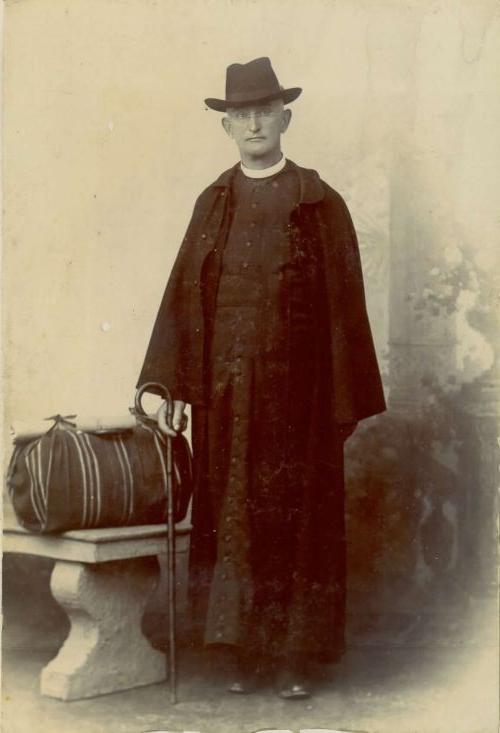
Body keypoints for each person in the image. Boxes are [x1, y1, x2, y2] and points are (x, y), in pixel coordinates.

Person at [137, 57, 386, 699]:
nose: (253, 124)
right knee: (233, 520)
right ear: (226, 126)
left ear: (285, 119)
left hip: (300, 401)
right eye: (241, 114)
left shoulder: (319, 202)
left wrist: (340, 401)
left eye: (265, 112)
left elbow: (346, 307)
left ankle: (296, 658)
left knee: (296, 526)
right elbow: (183, 297)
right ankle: (243, 653)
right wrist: (168, 384)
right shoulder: (213, 202)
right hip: (225, 398)